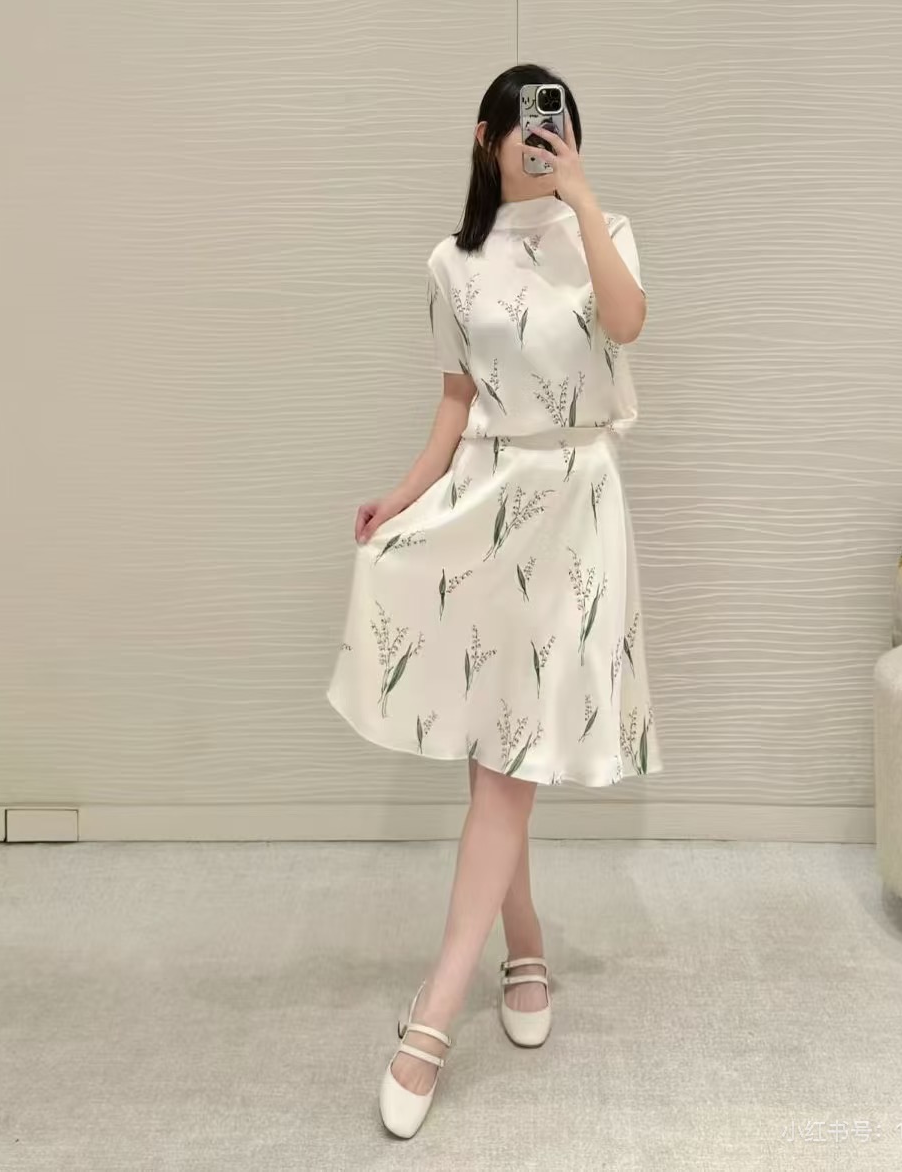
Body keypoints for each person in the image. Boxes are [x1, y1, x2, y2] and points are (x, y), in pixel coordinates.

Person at [325, 61, 664, 1137]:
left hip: (578, 508)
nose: (539, 134)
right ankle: (524, 945)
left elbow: (627, 323)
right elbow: (454, 404)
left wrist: (582, 198)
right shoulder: (451, 262)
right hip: (488, 500)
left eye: (556, 119)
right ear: (485, 137)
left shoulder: (604, 230)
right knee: (497, 746)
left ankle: (434, 1012)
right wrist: (400, 495)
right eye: (522, 120)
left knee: (509, 754)